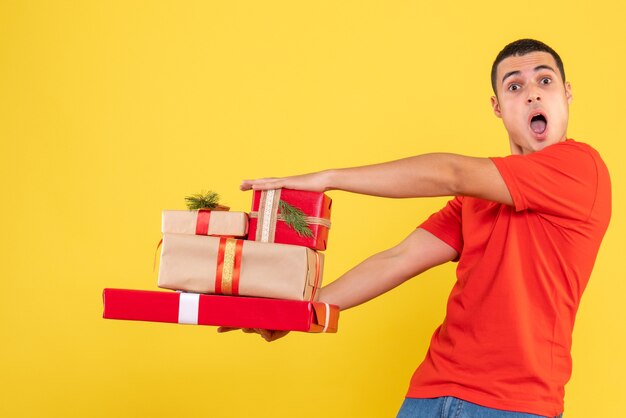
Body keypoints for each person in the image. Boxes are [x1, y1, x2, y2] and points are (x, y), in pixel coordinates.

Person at [221, 39, 611, 418]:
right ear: (496, 107)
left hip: (516, 405)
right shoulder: (478, 196)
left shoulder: (580, 167)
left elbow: (452, 173)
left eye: (545, 81)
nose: (532, 94)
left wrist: (327, 178)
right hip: (430, 394)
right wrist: (302, 310)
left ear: (568, 93)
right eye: (515, 86)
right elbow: (398, 258)